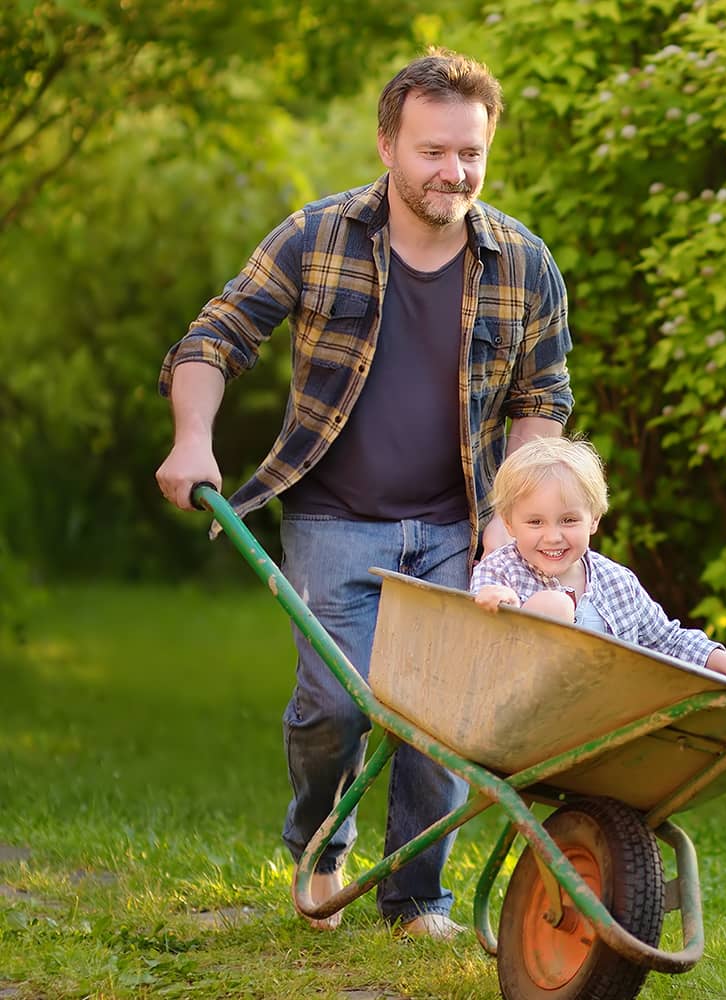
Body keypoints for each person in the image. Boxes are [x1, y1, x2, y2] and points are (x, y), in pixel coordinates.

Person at [154, 48, 573, 939]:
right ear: (387, 143)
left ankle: (416, 897)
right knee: (335, 707)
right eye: (432, 151)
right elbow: (216, 337)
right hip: (334, 516)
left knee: (443, 722)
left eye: (470, 153)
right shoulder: (316, 238)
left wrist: (511, 523)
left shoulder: (524, 263)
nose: (452, 172)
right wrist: (194, 438)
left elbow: (543, 401)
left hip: (462, 524)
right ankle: (322, 847)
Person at [471, 437, 726, 686]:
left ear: (593, 520)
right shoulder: (501, 570)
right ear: (509, 525)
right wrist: (498, 602)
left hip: (606, 713)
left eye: (568, 520)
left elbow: (667, 640)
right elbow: (473, 622)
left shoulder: (616, 581)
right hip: (526, 709)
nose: (553, 537)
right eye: (535, 522)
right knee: (554, 606)